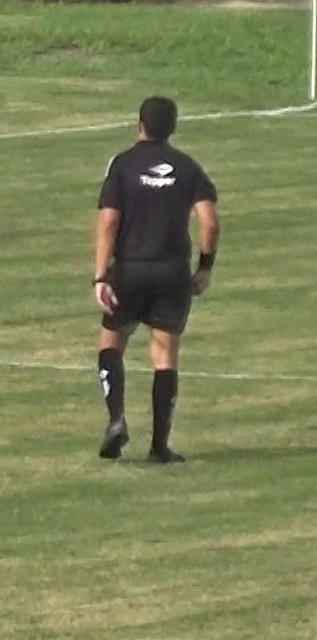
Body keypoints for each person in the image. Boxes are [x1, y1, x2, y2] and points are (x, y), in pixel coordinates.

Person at [93, 96, 220, 464]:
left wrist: (101, 275)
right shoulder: (188, 168)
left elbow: (108, 223)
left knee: (111, 344)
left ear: (140, 124)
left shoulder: (123, 165)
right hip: (172, 273)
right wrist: (205, 267)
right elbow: (209, 222)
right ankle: (159, 446)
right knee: (164, 356)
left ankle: (116, 418)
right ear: (173, 127)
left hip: (130, 269)